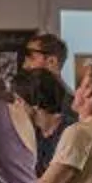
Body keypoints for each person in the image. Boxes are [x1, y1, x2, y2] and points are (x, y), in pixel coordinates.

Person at [23, 32, 74, 168]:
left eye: (31, 57)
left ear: (51, 61)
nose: (25, 66)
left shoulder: (75, 108)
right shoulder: (26, 102)